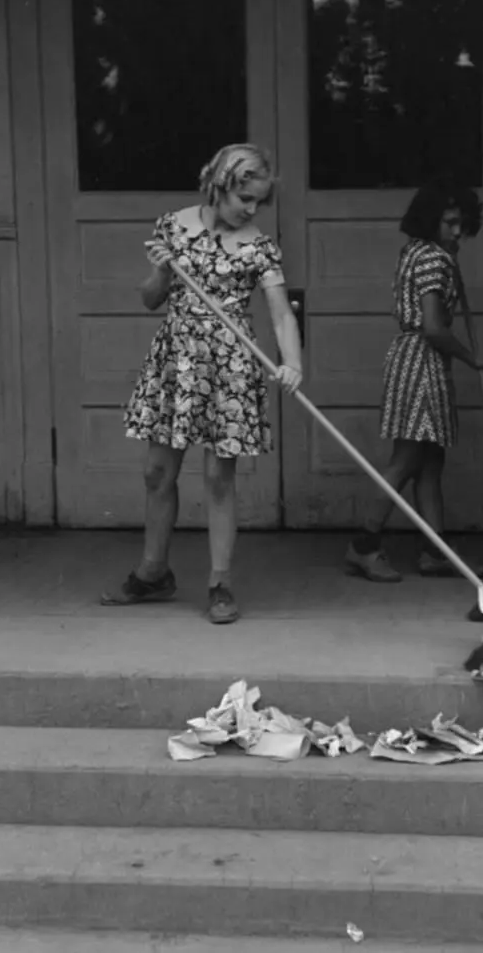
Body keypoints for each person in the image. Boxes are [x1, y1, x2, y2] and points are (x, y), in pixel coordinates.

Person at [103, 144, 302, 624]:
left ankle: (220, 583)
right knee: (157, 473)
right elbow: (150, 299)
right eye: (245, 200)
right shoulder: (172, 226)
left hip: (230, 365)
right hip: (177, 361)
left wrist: (292, 362)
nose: (252, 210)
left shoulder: (259, 246)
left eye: (258, 202)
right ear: (221, 186)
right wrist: (160, 270)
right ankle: (153, 573)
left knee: (219, 478)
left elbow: (279, 313)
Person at [345, 180, 483, 582]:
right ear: (431, 221)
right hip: (423, 362)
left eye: (461, 223)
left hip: (411, 359)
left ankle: (435, 551)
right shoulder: (434, 260)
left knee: (429, 462)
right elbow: (433, 328)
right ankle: (364, 545)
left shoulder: (417, 252)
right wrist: (471, 357)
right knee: (408, 459)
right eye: (449, 223)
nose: (457, 231)